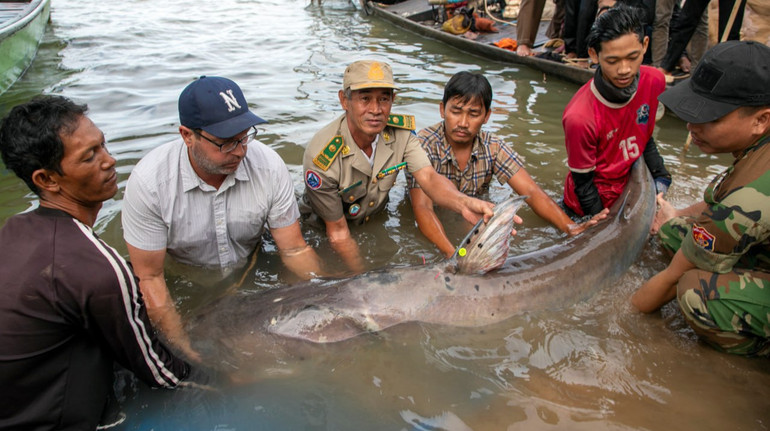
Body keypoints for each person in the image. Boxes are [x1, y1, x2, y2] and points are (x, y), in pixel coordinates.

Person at [0, 96, 194, 430]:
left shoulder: (12, 230)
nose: (110, 161)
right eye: (90, 156)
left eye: (103, 146)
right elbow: (161, 372)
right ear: (46, 180)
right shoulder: (99, 267)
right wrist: (218, 374)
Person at [122, 76, 323, 360]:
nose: (241, 151)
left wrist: (323, 296)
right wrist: (184, 350)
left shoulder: (268, 166)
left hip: (251, 265)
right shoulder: (150, 184)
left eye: (244, 137)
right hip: (186, 276)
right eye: (226, 143)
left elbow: (293, 248)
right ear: (187, 135)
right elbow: (150, 277)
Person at [631, 41, 770, 356]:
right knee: (672, 231)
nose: (692, 126)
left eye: (711, 118)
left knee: (693, 290)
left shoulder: (749, 198)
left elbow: (671, 279)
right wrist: (675, 214)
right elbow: (714, 204)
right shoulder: (758, 150)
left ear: (760, 120)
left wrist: (615, 321)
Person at [301, 60, 501, 272]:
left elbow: (429, 178)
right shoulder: (321, 157)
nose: (376, 110)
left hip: (373, 219)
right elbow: (338, 233)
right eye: (365, 99)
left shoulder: (401, 134)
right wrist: (364, 278)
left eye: (384, 99)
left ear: (393, 100)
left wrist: (463, 203)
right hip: (323, 230)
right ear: (344, 100)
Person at [407, 71, 607, 258]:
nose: (463, 122)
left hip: (473, 211)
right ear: (442, 110)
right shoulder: (422, 146)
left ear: (486, 116)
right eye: (456, 111)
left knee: (495, 242)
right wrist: (452, 257)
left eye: (474, 114)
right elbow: (423, 208)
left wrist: (570, 227)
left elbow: (531, 191)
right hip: (438, 214)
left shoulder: (493, 147)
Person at [561, 5, 671, 218]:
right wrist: (602, 221)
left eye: (632, 57)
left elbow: (644, 135)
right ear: (594, 55)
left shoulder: (654, 81)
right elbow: (583, 184)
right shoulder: (579, 117)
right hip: (589, 203)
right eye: (612, 61)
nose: (624, 69)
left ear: (645, 45)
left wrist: (661, 177)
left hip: (630, 188)